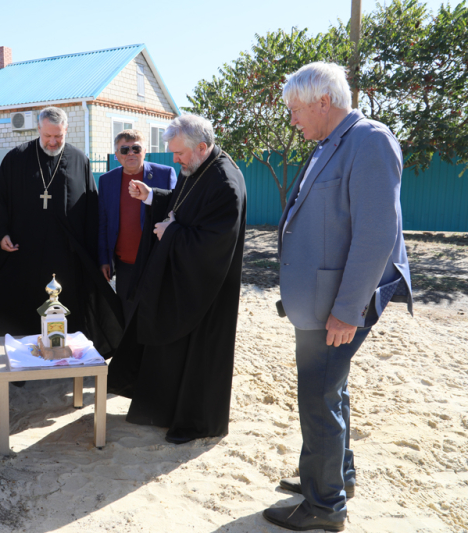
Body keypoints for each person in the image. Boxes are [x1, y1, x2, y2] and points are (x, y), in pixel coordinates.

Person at [262, 62, 413, 532]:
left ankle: (325, 506)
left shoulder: (369, 140)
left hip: (339, 305)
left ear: (322, 101)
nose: (292, 120)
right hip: (320, 301)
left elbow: (376, 235)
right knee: (332, 390)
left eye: (295, 110)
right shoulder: (331, 142)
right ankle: (335, 476)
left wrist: (348, 311)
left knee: (319, 396)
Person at [107, 114, 247, 444]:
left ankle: (193, 421)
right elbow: (181, 204)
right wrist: (152, 196)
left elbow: (212, 242)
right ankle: (164, 409)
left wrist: (171, 233)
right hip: (182, 282)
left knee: (196, 357)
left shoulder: (225, 182)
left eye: (179, 153)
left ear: (201, 147)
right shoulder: (196, 167)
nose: (175, 160)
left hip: (205, 290)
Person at [0, 107, 123, 368]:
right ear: (38, 130)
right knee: (15, 309)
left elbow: (92, 214)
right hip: (23, 254)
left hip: (65, 259)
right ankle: (15, 365)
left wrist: (100, 257)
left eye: (58, 136)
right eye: (48, 136)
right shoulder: (16, 159)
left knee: (67, 311)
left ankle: (64, 364)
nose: (53, 142)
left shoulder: (79, 160)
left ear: (66, 130)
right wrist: (0, 234)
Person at [98, 130, 176, 325]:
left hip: (156, 262)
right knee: (127, 316)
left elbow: (176, 212)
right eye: (124, 149)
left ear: (145, 151)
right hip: (125, 266)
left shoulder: (164, 174)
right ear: (116, 155)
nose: (130, 153)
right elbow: (103, 223)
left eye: (136, 148)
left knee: (155, 316)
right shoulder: (107, 181)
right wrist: (104, 259)